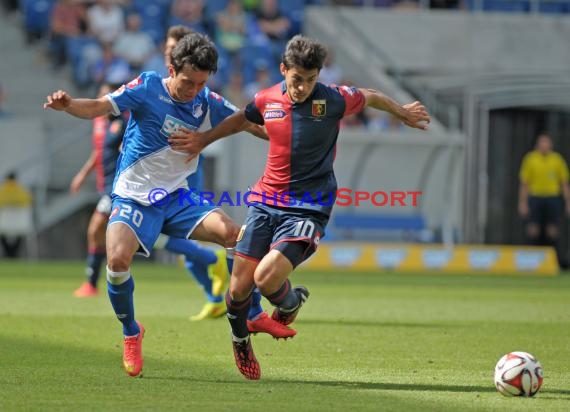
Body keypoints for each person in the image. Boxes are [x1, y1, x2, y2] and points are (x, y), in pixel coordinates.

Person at [168, 35, 431, 380]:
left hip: (309, 207)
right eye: (296, 79)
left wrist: (403, 113)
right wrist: (203, 139)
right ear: (283, 70)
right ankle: (241, 340)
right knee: (237, 291)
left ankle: (290, 303)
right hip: (265, 202)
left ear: (318, 75)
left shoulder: (334, 99)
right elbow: (241, 119)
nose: (303, 87)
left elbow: (371, 96)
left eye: (310, 79)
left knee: (265, 278)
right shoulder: (267, 99)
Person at [43, 32, 289, 378]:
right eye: (188, 82)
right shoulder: (146, 87)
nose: (193, 90)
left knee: (236, 234)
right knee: (116, 260)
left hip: (177, 197)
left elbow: (250, 123)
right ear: (171, 69)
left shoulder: (208, 101)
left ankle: (252, 314)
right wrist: (68, 104)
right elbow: (100, 106)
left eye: (201, 83)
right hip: (134, 196)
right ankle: (131, 331)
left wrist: (290, 131)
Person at [518, 133, 570, 268]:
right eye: (542, 143)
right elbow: (525, 183)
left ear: (550, 145)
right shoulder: (531, 159)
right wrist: (523, 202)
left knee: (552, 230)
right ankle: (530, 263)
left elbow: (564, 183)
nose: (544, 146)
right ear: (537, 144)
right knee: (533, 229)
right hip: (535, 197)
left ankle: (554, 262)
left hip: (552, 198)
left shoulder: (557, 160)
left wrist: (568, 201)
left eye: (546, 143)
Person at [0, 171, 33, 258]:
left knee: (2, 233)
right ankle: (14, 252)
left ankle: (8, 252)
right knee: (20, 234)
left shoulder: (2, 191)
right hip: (21, 225)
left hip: (3, 224)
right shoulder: (22, 191)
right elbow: (29, 201)